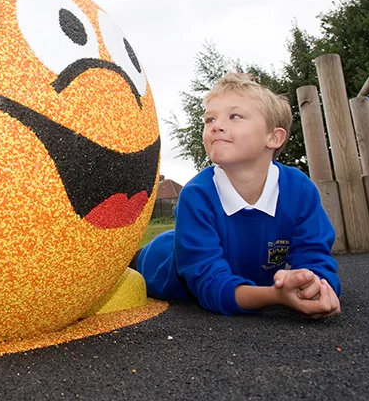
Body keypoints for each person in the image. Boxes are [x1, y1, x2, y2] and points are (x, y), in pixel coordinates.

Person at [133, 73, 341, 318]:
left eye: (235, 116)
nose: (216, 125)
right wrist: (276, 296)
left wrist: (317, 288)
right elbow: (209, 285)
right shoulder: (196, 195)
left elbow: (315, 257)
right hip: (163, 261)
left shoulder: (299, 189)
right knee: (126, 270)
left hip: (210, 248)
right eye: (209, 119)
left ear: (274, 137)